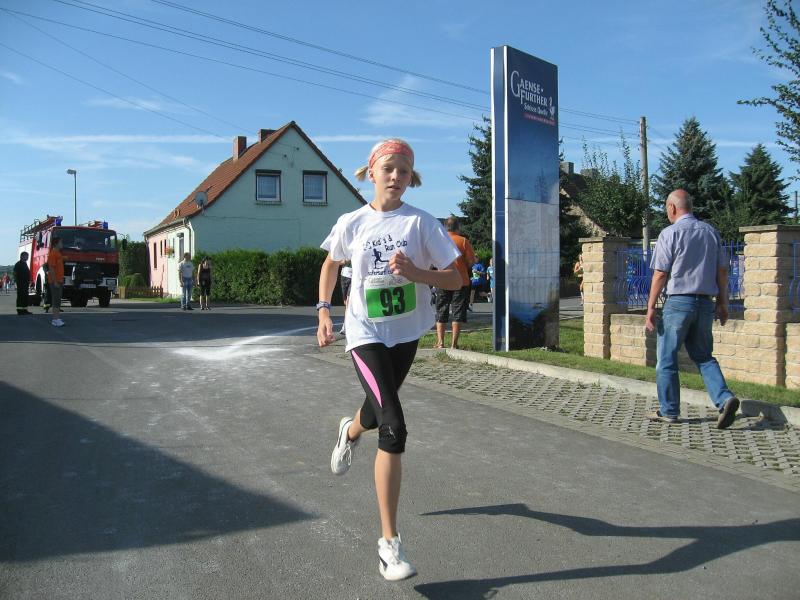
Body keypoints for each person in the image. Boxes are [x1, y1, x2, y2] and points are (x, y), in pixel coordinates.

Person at [317, 139, 462, 581]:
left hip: (405, 334)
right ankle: (389, 545)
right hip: (365, 333)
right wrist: (323, 311)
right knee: (394, 425)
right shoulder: (353, 222)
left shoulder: (422, 223)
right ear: (372, 173)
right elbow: (330, 264)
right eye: (389, 169)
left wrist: (418, 273)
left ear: (411, 177)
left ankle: (349, 430)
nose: (396, 176)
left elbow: (456, 278)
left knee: (378, 410)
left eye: (404, 170)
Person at [645, 189, 739, 429]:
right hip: (705, 302)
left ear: (672, 208)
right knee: (704, 356)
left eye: (666, 208)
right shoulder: (711, 232)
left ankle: (669, 410)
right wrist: (723, 302)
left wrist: (650, 307)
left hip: (678, 302)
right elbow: (722, 272)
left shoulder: (670, 233)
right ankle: (724, 399)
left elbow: (660, 273)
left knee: (667, 358)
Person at [434, 216, 475, 349]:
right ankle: (454, 344)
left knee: (441, 310)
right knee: (458, 312)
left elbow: (433, 261)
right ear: (458, 227)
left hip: (443, 280)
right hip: (461, 281)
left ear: (444, 227)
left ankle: (440, 342)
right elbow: (471, 261)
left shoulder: (439, 242)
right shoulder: (463, 241)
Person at [47, 236, 65, 327]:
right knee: (56, 300)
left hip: (59, 280)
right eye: (60, 242)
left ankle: (57, 318)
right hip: (55, 281)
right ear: (56, 244)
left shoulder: (58, 253)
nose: (62, 244)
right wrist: (55, 282)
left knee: (58, 300)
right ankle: (55, 319)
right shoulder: (53, 254)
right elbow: (51, 269)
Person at [339, 261, 352, 334]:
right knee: (346, 302)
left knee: (348, 302)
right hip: (344, 275)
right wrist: (344, 260)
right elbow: (336, 262)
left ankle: (345, 327)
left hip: (354, 276)